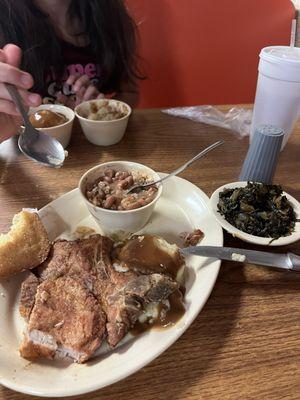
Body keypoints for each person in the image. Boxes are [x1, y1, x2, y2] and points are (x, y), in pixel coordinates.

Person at [0, 0, 141, 142]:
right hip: (21, 145)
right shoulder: (5, 16)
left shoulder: (112, 14)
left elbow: (130, 92)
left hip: (91, 143)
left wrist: (99, 110)